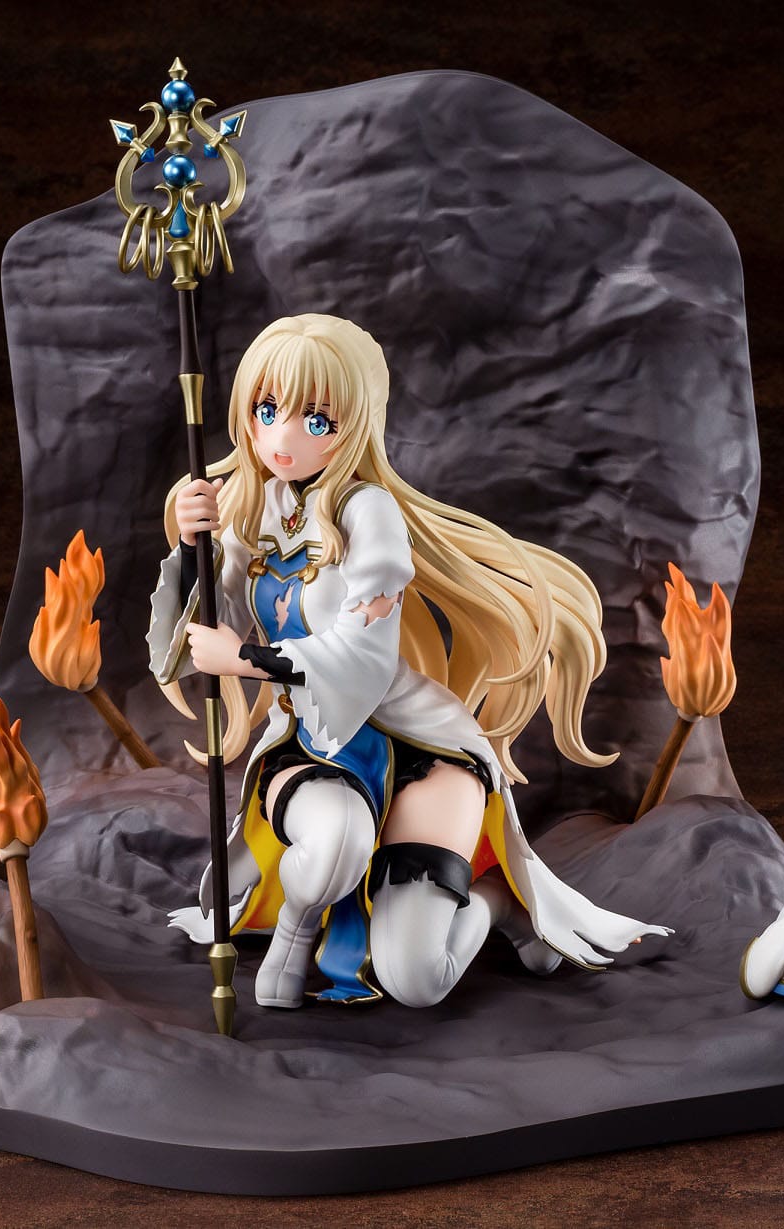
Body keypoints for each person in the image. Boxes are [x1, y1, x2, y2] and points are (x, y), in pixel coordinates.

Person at [149, 313, 669, 1008]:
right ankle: (297, 934)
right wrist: (195, 547)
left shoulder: (370, 515)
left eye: (315, 419)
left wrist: (244, 658)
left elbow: (360, 660)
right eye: (266, 411)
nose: (281, 439)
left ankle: (495, 900)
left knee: (416, 980)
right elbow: (194, 635)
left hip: (416, 747)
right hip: (314, 742)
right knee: (334, 841)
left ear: (356, 423)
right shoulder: (257, 509)